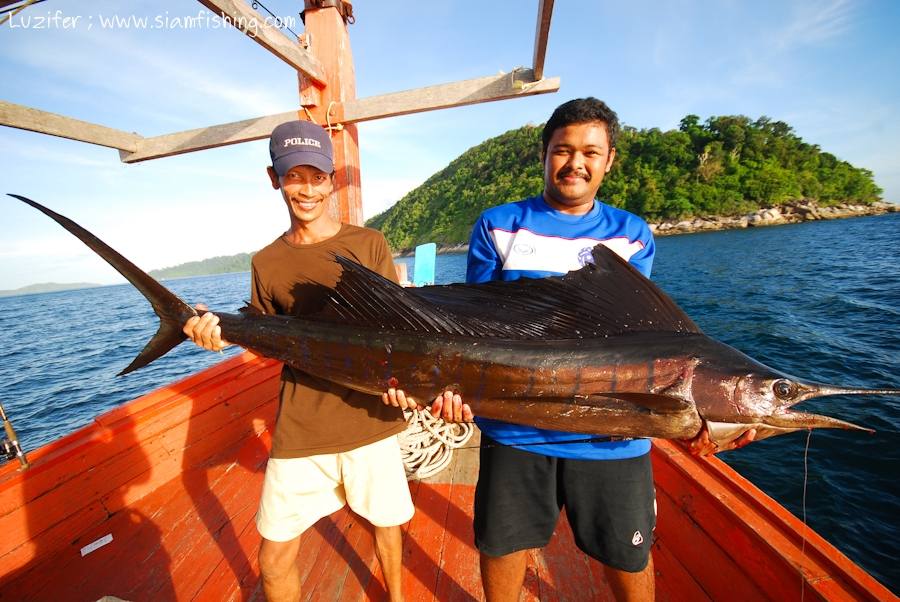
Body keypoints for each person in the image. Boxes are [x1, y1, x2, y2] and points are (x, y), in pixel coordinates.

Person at [391, 97, 755, 602]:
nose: (575, 163)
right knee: (502, 546)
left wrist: (720, 418)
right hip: (515, 432)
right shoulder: (499, 224)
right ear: (543, 154)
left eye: (590, 151)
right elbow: (472, 329)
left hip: (613, 438)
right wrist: (450, 393)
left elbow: (632, 337)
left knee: (628, 557)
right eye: (563, 150)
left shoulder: (632, 234)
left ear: (609, 161)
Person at [183, 120, 414, 602]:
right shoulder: (265, 262)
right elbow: (267, 339)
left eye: (317, 177)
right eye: (294, 176)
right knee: (274, 554)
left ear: (332, 180)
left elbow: (396, 333)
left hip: (371, 418)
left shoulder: (369, 244)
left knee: (386, 527)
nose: (307, 189)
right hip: (303, 425)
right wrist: (220, 337)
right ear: (275, 179)